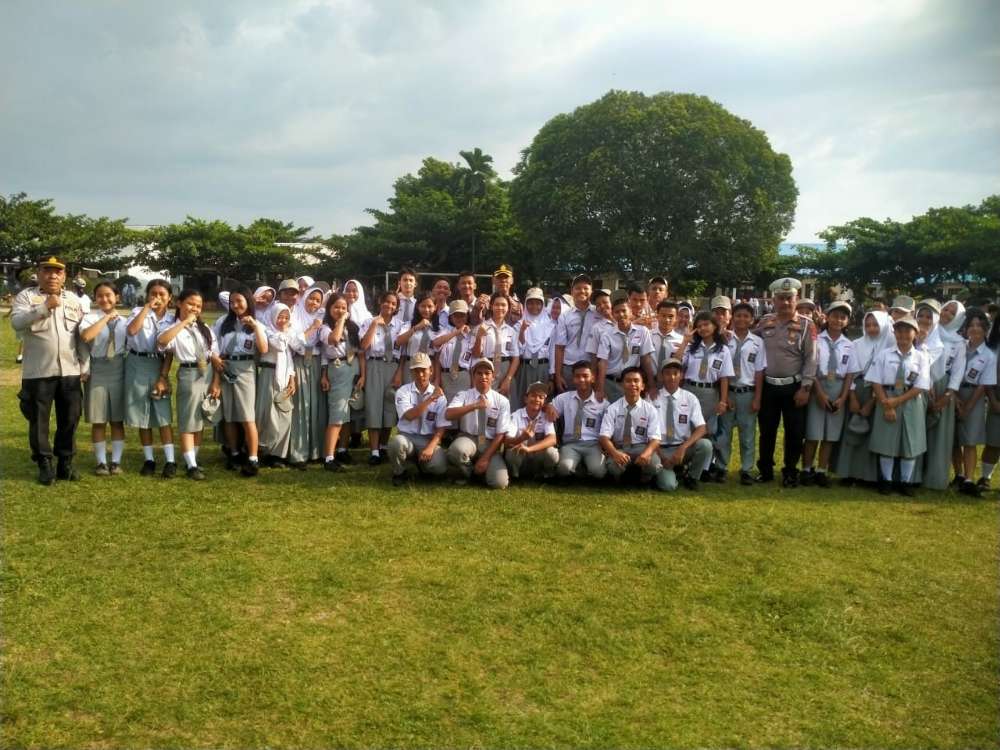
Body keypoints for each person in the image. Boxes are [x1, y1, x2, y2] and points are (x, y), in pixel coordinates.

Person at [12, 256, 86, 484]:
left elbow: (82, 335)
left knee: (70, 418)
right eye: (47, 271)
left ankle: (65, 462)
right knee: (38, 420)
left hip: (70, 370)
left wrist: (86, 364)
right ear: (39, 272)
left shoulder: (74, 300)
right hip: (39, 372)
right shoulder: (27, 297)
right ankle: (44, 463)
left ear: (64, 276)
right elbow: (16, 323)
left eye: (58, 272)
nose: (53, 275)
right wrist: (44, 307)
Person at [754, 277, 817, 487]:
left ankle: (791, 471)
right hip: (769, 387)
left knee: (794, 432)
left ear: (796, 298)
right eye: (781, 298)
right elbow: (749, 341)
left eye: (789, 298)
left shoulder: (807, 325)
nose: (785, 302)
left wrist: (806, 388)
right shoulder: (765, 322)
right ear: (774, 300)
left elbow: (811, 358)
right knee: (767, 431)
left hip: (794, 388)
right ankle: (765, 469)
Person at [157, 289, 220, 480]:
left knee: (200, 419)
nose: (195, 308)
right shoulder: (173, 327)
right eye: (191, 304)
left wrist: (216, 382)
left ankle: (192, 459)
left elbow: (215, 355)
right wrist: (184, 322)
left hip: (207, 373)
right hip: (189, 374)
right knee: (188, 420)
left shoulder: (205, 329)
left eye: (198, 306)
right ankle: (192, 465)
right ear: (179, 303)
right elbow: (162, 342)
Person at [866, 315, 931, 496]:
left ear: (916, 333)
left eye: (907, 330)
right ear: (894, 333)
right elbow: (875, 380)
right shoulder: (884, 355)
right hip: (886, 397)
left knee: (910, 442)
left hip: (910, 401)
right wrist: (887, 404)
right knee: (887, 440)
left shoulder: (921, 357)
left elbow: (921, 385)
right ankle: (886, 480)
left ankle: (905, 482)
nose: (902, 334)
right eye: (899, 330)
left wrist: (897, 401)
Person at [124, 278, 177, 478]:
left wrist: (163, 376)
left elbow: (170, 352)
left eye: (162, 294)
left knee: (162, 414)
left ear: (169, 298)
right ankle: (149, 459)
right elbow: (131, 330)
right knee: (141, 413)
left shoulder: (172, 320)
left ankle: (170, 460)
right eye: (153, 293)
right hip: (137, 363)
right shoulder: (138, 312)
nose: (157, 298)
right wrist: (147, 308)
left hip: (159, 364)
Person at [214, 286, 269, 477]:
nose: (236, 305)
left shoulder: (257, 323)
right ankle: (235, 452)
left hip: (245, 369)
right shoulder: (223, 322)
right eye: (232, 302)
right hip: (226, 368)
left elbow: (262, 349)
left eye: (239, 301)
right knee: (229, 415)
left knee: (247, 415)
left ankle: (252, 457)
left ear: (248, 302)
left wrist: (255, 327)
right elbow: (216, 349)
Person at [834, 311, 894, 485]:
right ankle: (848, 473)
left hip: (879, 394)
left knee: (873, 433)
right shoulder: (857, 344)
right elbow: (851, 372)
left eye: (875, 325)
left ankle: (869, 476)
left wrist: (873, 400)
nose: (871, 329)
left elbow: (885, 376)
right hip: (857, 390)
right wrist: (852, 397)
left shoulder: (890, 345)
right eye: (868, 325)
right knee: (853, 430)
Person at [801, 301, 855, 487]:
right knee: (813, 433)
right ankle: (807, 469)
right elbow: (811, 367)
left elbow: (849, 374)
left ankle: (822, 470)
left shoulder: (849, 345)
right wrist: (820, 394)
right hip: (819, 386)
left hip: (838, 388)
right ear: (827, 317)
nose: (838, 320)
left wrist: (843, 397)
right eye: (835, 316)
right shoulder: (817, 340)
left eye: (843, 317)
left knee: (830, 436)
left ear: (847, 321)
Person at [78, 280, 128, 476]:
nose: (104, 299)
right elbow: (86, 337)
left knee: (117, 420)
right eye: (100, 295)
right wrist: (106, 319)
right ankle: (101, 462)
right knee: (98, 419)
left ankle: (115, 461)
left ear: (117, 297)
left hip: (119, 368)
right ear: (95, 298)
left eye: (109, 295)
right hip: (97, 368)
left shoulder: (125, 321)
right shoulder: (90, 318)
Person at [915, 299, 964, 490]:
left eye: (952, 313)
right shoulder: (925, 332)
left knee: (940, 435)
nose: (947, 314)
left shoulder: (959, 342)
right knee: (918, 430)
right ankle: (913, 475)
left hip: (944, 389)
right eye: (945, 309)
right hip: (921, 384)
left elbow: (958, 371)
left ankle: (934, 478)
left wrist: (948, 395)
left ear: (958, 317)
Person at [715, 301, 766, 485]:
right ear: (732, 318)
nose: (742, 319)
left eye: (746, 316)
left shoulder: (758, 343)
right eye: (738, 315)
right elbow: (720, 369)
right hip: (728, 392)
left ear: (752, 320)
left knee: (747, 434)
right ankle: (721, 467)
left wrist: (758, 397)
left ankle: (746, 469)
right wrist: (725, 395)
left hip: (748, 392)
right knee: (724, 432)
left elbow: (759, 371)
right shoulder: (724, 339)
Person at [682, 311, 734, 480]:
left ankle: (703, 468)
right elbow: (676, 364)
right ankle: (685, 464)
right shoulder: (691, 349)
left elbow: (724, 377)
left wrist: (723, 400)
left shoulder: (723, 350)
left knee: (707, 430)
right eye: (700, 325)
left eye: (707, 324)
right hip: (690, 390)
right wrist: (685, 342)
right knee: (688, 427)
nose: (703, 328)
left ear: (715, 326)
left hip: (710, 392)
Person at [445, 358, 511, 488]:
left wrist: (486, 458)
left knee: (499, 483)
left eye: (487, 373)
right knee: (457, 450)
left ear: (493, 376)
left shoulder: (502, 401)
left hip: (489, 443)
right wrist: (475, 405)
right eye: (479, 373)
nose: (483, 376)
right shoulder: (463, 395)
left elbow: (500, 434)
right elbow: (448, 414)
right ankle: (471, 473)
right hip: (468, 438)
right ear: (473, 376)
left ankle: (481, 469)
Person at [386, 352, 449, 485]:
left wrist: (431, 447)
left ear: (431, 370)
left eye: (423, 370)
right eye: (416, 371)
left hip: (427, 439)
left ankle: (421, 466)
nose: (420, 375)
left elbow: (441, 427)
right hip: (407, 437)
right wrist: (431, 398)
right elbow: (410, 415)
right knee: (396, 443)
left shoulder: (440, 396)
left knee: (440, 467)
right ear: (411, 372)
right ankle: (400, 472)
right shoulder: (403, 391)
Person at [319, 293, 364, 471]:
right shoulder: (325, 328)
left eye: (344, 308)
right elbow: (334, 340)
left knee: (348, 413)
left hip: (353, 367)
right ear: (329, 309)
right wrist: (342, 320)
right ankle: (329, 457)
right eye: (336, 307)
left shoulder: (353, 328)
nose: (340, 310)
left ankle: (343, 449)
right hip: (337, 369)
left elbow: (360, 352)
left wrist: (363, 375)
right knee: (337, 414)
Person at [954, 308, 997, 496]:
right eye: (971, 325)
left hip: (975, 396)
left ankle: (970, 479)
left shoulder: (989, 355)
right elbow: (950, 373)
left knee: (970, 440)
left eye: (979, 325)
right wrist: (954, 397)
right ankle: (959, 475)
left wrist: (968, 407)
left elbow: (984, 385)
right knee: (953, 438)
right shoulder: (959, 347)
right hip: (954, 393)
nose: (974, 329)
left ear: (986, 329)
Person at [654, 358, 713, 492]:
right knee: (668, 486)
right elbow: (647, 433)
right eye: (668, 373)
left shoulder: (690, 398)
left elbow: (702, 428)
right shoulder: (652, 398)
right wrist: (662, 457)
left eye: (676, 373)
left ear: (682, 375)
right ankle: (664, 472)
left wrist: (683, 448)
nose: (672, 377)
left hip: (681, 448)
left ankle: (692, 477)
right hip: (659, 449)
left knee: (705, 445)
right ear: (662, 376)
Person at [545, 360, 609, 480]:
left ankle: (584, 468)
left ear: (593, 378)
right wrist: (548, 407)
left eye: (585, 376)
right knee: (564, 469)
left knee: (599, 473)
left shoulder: (602, 403)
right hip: (571, 443)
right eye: (577, 376)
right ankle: (577, 468)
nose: (581, 380)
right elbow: (549, 406)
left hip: (593, 445)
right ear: (573, 379)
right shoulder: (564, 398)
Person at [599, 367, 662, 485]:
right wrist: (615, 453)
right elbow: (603, 437)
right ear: (622, 385)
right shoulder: (613, 408)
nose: (632, 384)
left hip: (641, 447)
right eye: (628, 381)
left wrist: (646, 454)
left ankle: (643, 478)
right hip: (621, 447)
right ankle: (622, 478)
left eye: (636, 381)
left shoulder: (650, 410)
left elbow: (656, 439)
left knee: (654, 465)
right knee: (613, 467)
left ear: (643, 386)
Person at [359, 291, 401, 465]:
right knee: (374, 406)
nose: (389, 306)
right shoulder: (369, 321)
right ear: (380, 302)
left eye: (393, 303)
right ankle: (374, 451)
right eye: (386, 302)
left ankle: (383, 446)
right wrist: (375, 325)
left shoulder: (400, 325)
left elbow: (403, 350)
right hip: (374, 365)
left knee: (389, 407)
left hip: (392, 366)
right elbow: (363, 346)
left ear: (397, 306)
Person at [288, 283, 327, 468]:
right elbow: (295, 343)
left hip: (318, 364)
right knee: (301, 409)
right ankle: (299, 453)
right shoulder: (295, 315)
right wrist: (312, 328)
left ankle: (316, 451)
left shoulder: (322, 316)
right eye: (311, 298)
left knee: (317, 408)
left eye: (318, 300)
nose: (314, 303)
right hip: (300, 362)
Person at [255, 303, 298, 466]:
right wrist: (286, 330)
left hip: (284, 376)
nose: (283, 320)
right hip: (269, 374)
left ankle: (278, 454)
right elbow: (279, 346)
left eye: (286, 317)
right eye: (280, 317)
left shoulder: (286, 334)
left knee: (284, 413)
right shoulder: (267, 331)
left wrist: (292, 379)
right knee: (266, 413)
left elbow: (289, 357)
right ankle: (261, 449)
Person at [595, 296, 656, 403]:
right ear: (613, 314)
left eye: (624, 311)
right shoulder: (607, 335)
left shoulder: (642, 331)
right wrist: (599, 388)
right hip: (611, 383)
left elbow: (646, 359)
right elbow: (602, 362)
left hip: (632, 384)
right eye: (617, 312)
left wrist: (651, 385)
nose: (621, 314)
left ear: (631, 312)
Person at [504, 380, 559, 481]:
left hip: (536, 457)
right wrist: (522, 438)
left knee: (552, 453)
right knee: (511, 452)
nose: (537, 399)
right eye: (533, 395)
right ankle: (516, 476)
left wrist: (529, 449)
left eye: (541, 397)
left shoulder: (546, 416)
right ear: (526, 399)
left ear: (544, 402)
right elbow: (507, 442)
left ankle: (545, 475)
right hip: (521, 459)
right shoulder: (516, 415)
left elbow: (552, 439)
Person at [471, 294, 520, 402]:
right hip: (487, 368)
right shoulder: (481, 327)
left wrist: (508, 379)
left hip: (506, 369)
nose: (500, 308)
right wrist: (479, 337)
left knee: (507, 405)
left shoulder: (511, 331)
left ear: (508, 308)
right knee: (488, 403)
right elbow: (475, 354)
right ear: (491, 306)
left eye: (503, 305)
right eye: (497, 304)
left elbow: (516, 358)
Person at [553, 274, 596, 393]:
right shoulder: (565, 316)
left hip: (590, 368)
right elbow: (559, 348)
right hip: (569, 368)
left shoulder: (598, 314)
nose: (582, 291)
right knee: (568, 405)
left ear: (591, 291)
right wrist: (558, 375)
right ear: (572, 292)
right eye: (578, 288)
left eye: (586, 288)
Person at [514, 288, 554, 404]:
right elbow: (519, 351)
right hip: (525, 369)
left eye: (538, 303)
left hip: (543, 368)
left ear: (543, 304)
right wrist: (522, 331)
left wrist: (552, 377)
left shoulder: (550, 325)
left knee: (542, 402)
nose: (534, 306)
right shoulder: (519, 324)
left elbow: (552, 352)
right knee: (525, 401)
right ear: (526, 304)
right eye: (530, 303)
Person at [433, 298, 474, 407]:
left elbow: (475, 359)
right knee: (446, 410)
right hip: (446, 377)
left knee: (464, 409)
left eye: (462, 315)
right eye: (456, 315)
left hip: (463, 376)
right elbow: (436, 343)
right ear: (450, 317)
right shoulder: (445, 332)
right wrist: (456, 332)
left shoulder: (471, 335)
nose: (459, 318)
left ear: (467, 316)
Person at [650, 300, 685, 373]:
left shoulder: (681, 340)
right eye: (663, 315)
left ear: (676, 318)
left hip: (670, 381)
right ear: (657, 316)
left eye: (671, 316)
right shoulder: (648, 336)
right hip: (649, 379)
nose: (666, 320)